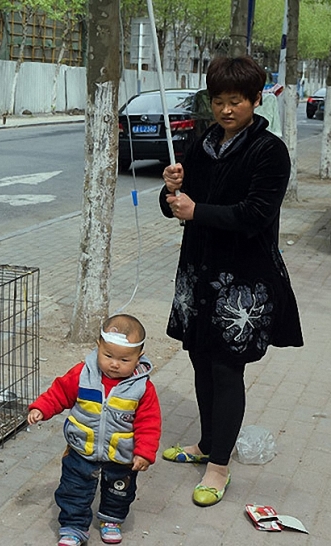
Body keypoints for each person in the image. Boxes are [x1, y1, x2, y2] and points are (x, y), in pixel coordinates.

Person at [159, 55, 302, 508]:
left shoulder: (269, 151)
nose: (225, 110)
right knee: (200, 358)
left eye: (235, 102)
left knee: (227, 368)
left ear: (257, 100)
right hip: (199, 272)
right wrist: (172, 191)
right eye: (218, 101)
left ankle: (219, 465)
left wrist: (197, 210)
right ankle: (204, 444)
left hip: (243, 279)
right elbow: (177, 208)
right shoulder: (201, 142)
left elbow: (256, 215)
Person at [27, 314, 161, 546]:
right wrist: (41, 408)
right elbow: (59, 393)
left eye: (124, 360)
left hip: (122, 455)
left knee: (119, 491)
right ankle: (73, 526)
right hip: (81, 448)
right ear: (98, 346)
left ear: (139, 357)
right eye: (108, 356)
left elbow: (149, 422)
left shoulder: (141, 388)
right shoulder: (83, 374)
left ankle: (111, 519)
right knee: (73, 490)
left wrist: (144, 452)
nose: (114, 364)